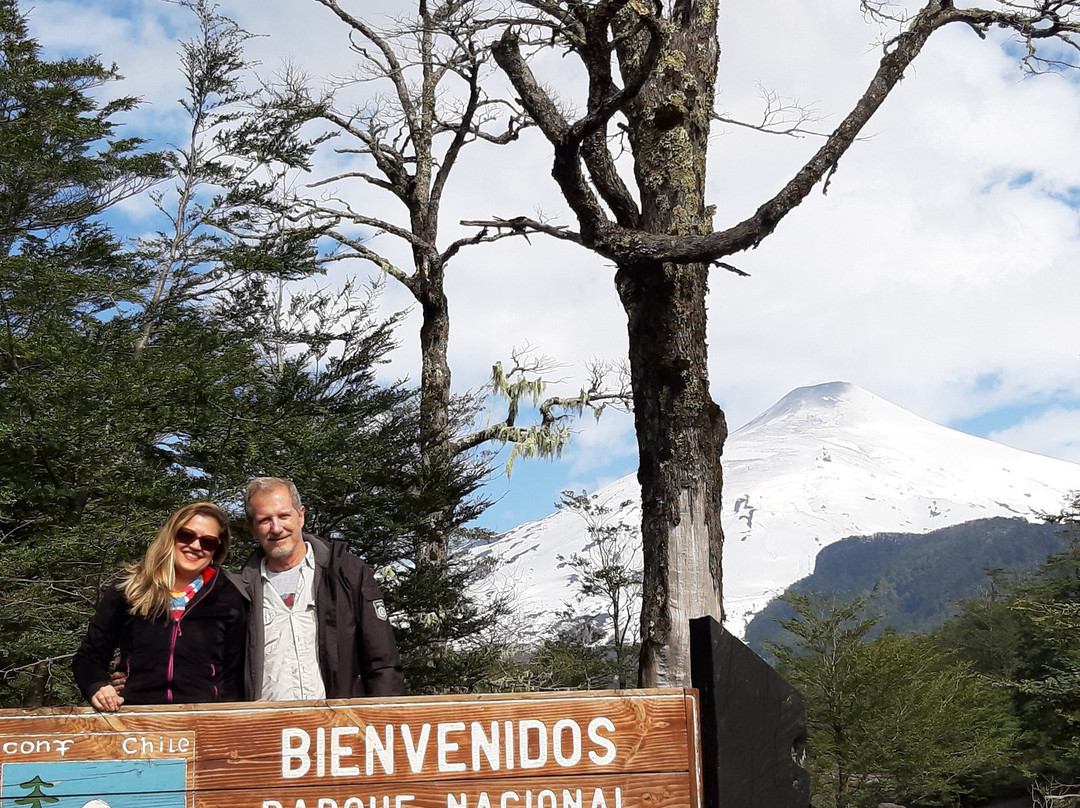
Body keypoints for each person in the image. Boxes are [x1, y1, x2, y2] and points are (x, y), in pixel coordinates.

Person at [230, 477, 403, 700]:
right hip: (268, 729)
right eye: (265, 520)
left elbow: (383, 662)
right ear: (252, 527)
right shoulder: (239, 591)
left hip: (340, 727)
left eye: (284, 516)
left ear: (300, 515)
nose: (276, 528)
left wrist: (377, 721)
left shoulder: (346, 573)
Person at [72, 502, 248, 711]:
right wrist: (98, 687)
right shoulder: (129, 589)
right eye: (186, 535)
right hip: (137, 719)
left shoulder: (229, 595)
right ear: (171, 535)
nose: (196, 546)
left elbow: (234, 675)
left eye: (208, 542)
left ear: (217, 549)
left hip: (205, 722)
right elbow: (89, 657)